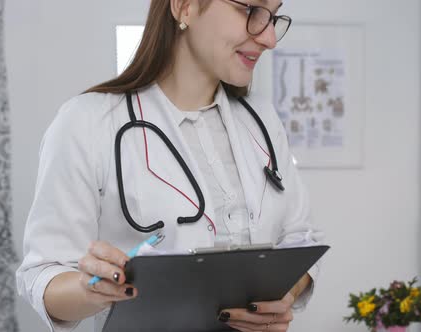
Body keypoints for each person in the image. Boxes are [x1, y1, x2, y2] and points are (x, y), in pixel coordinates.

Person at [16, 0, 325, 331]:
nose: (269, 38)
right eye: (251, 11)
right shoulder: (87, 123)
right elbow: (42, 275)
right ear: (185, 7)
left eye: (273, 17)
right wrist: (89, 289)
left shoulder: (261, 119)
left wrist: (281, 299)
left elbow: (301, 237)